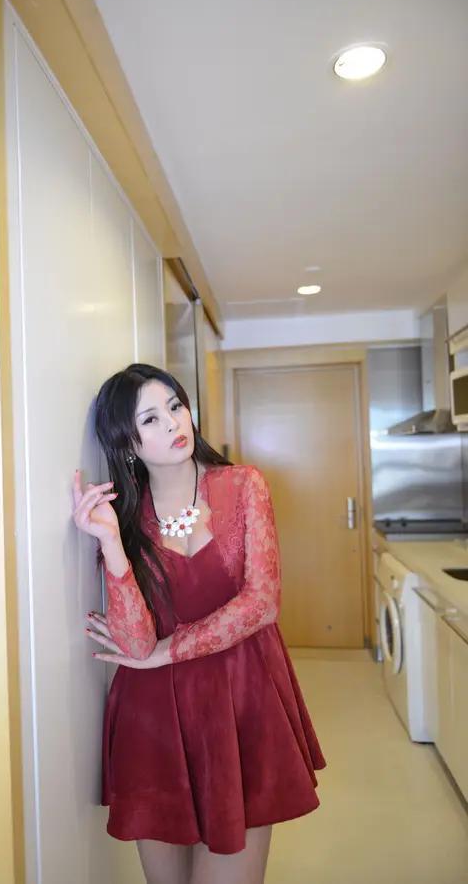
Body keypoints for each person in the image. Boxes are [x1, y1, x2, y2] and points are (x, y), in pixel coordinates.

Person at [72, 363, 327, 884]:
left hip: (241, 700)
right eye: (150, 418)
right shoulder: (127, 519)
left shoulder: (243, 485)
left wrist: (165, 652)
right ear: (127, 444)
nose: (173, 422)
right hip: (154, 721)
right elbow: (135, 644)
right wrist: (111, 543)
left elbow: (262, 603)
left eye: (175, 406)